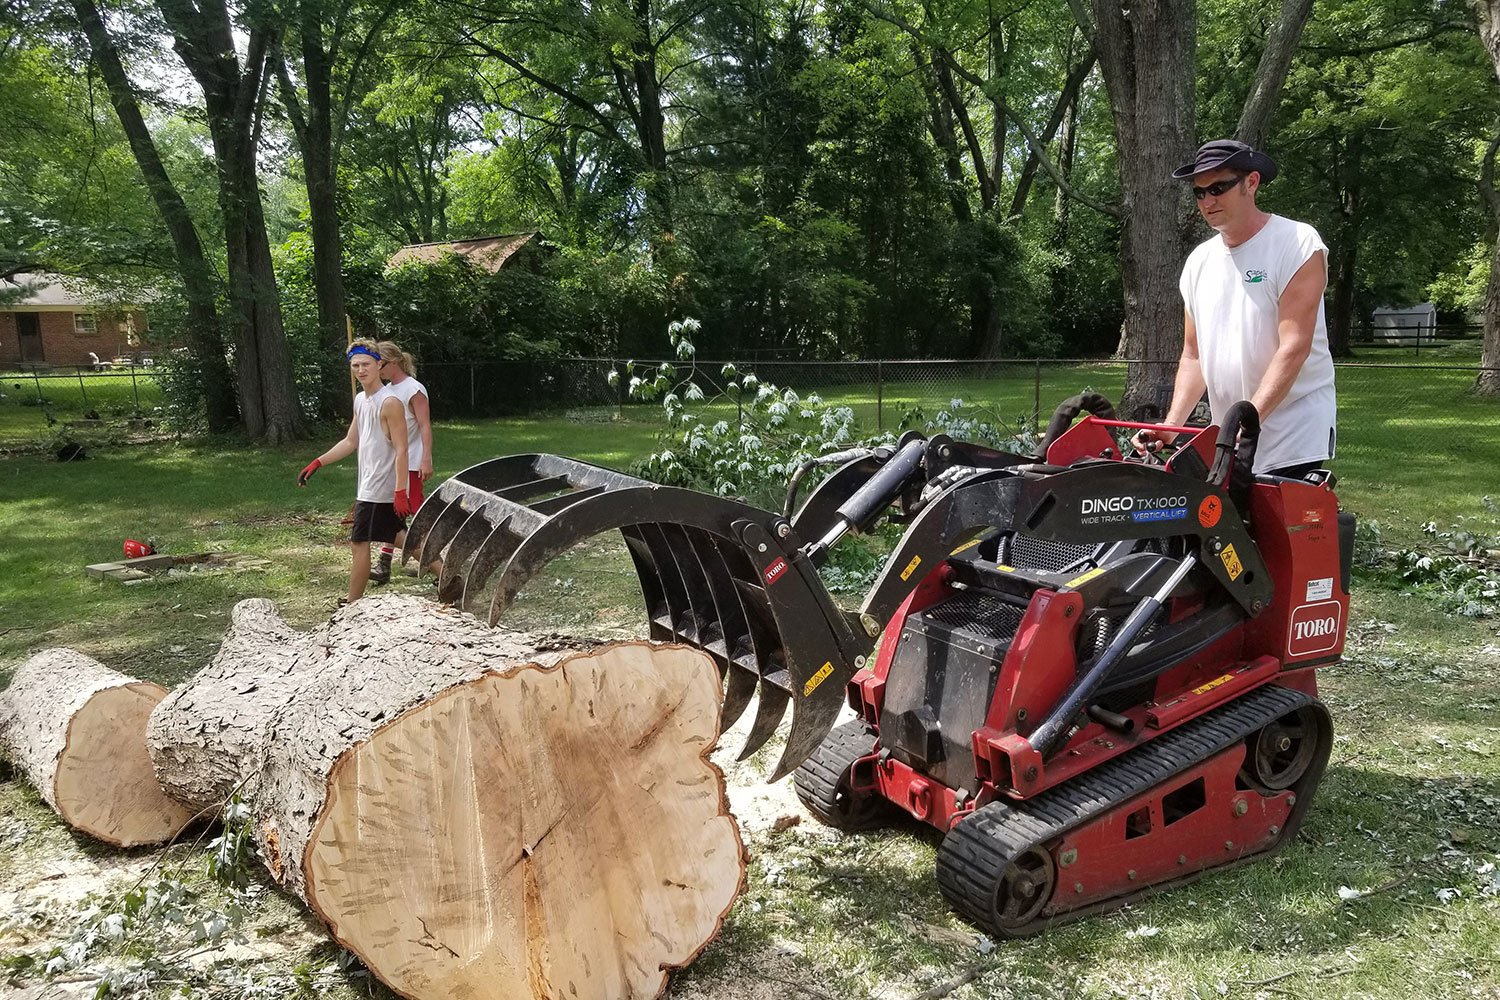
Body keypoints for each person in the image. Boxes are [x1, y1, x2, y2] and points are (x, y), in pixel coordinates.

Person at [1136, 139, 1336, 479]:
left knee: (1272, 532)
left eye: (1218, 188)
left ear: (1251, 183)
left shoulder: (1298, 244)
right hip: (1231, 439)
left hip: (1292, 435)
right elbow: (1194, 356)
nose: (1207, 201)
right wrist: (1171, 426)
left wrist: (1249, 418)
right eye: (1199, 193)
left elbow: (1295, 347)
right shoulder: (1199, 262)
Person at [297, 340, 412, 603]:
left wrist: (400, 491)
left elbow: (402, 450)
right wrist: (318, 462)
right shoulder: (361, 400)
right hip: (369, 484)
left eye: (366, 364)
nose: (361, 370)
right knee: (399, 537)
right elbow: (351, 441)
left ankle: (352, 604)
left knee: (359, 543)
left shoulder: (390, 402)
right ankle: (450, 577)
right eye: (355, 365)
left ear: (379, 365)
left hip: (380, 487)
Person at [371, 341, 432, 583]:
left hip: (411, 461)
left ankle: (437, 561)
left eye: (380, 364)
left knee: (417, 513)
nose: (378, 369)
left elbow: (425, 425)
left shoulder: (413, 389)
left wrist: (426, 459)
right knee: (394, 513)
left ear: (393, 363)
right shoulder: (387, 390)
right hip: (393, 462)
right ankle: (385, 563)